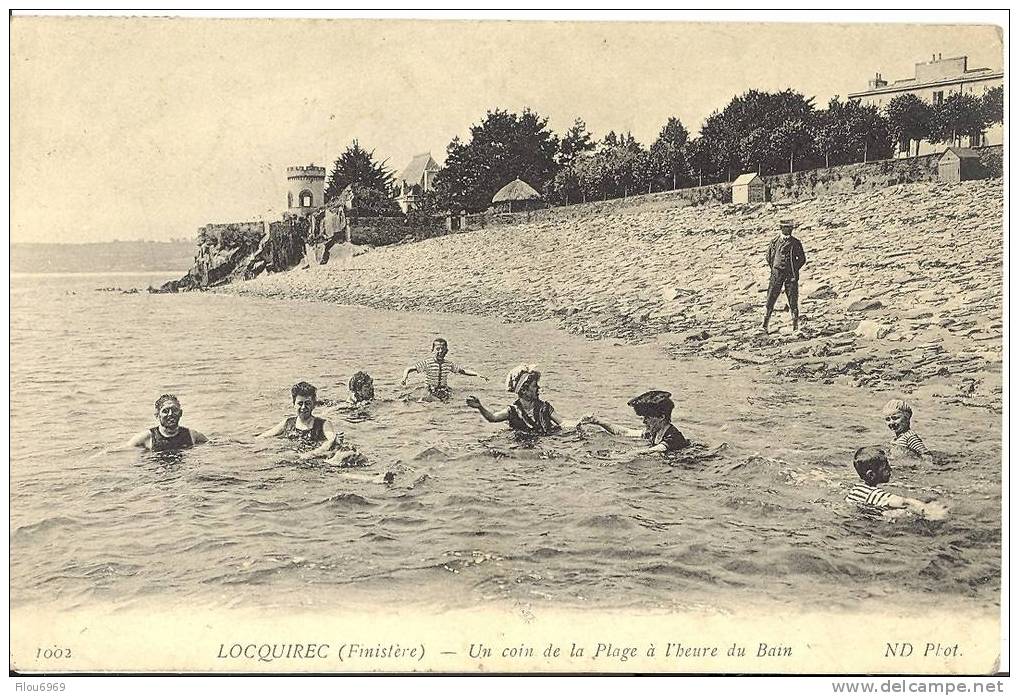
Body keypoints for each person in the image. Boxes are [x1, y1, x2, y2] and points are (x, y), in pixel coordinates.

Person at [258, 381, 358, 463]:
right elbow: (263, 437)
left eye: (308, 403)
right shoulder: (287, 423)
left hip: (315, 462)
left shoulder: (323, 424)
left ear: (314, 404)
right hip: (293, 462)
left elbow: (331, 440)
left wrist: (311, 454)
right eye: (300, 403)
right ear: (294, 404)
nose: (303, 407)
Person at [845, 446, 946, 518]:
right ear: (871, 475)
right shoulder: (875, 494)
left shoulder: (856, 488)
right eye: (885, 468)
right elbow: (904, 502)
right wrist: (926, 508)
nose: (890, 470)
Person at [581, 390, 689, 456]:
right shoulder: (654, 432)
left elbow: (652, 451)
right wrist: (599, 422)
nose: (644, 421)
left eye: (648, 417)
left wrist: (625, 455)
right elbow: (624, 432)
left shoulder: (673, 436)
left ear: (661, 417)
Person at [465, 364, 563, 434]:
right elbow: (493, 418)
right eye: (534, 386)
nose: (538, 388)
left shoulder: (545, 407)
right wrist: (480, 407)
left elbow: (562, 423)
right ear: (524, 390)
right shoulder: (512, 411)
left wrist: (577, 423)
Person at [401, 337, 487, 400]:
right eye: (437, 349)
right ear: (432, 350)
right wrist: (404, 378)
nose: (440, 351)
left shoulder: (448, 364)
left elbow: (463, 371)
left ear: (446, 351)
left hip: (443, 389)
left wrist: (477, 374)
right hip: (429, 390)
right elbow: (408, 369)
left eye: (443, 349)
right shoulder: (427, 363)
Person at [762, 218, 807, 334]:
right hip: (776, 275)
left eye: (791, 228)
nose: (790, 230)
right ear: (781, 228)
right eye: (787, 228)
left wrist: (793, 268)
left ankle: (795, 327)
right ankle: (765, 325)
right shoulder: (774, 242)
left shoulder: (796, 242)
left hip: (790, 275)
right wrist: (775, 269)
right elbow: (769, 257)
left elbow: (802, 259)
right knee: (770, 299)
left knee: (793, 300)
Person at [127, 394, 208, 452]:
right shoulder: (147, 437)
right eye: (165, 411)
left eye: (174, 410)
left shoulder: (192, 435)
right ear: (157, 415)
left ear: (180, 413)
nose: (170, 414)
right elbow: (123, 453)